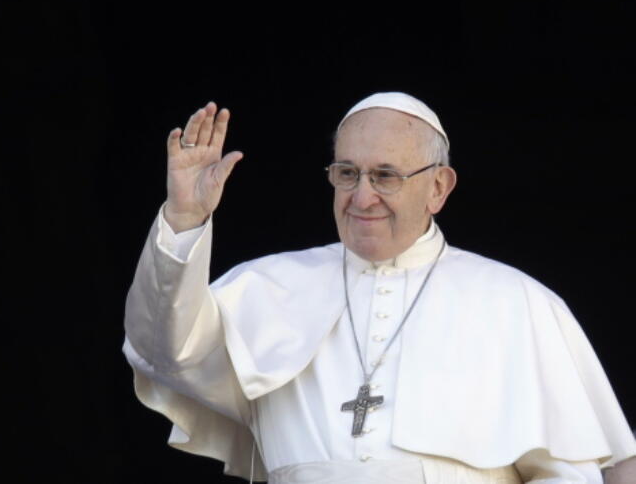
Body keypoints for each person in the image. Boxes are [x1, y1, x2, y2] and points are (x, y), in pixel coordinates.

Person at [123, 93, 636, 483]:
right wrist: (185, 218)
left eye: (385, 176)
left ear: (438, 187)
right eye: (347, 173)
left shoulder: (518, 303)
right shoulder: (268, 287)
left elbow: (568, 471)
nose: (361, 196)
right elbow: (162, 349)